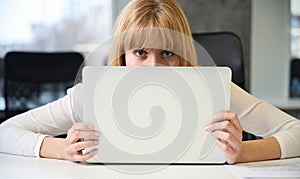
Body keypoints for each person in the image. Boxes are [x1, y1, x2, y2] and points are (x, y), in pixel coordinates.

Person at [0, 0, 299, 164]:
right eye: (140, 52)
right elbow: (6, 131)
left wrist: (245, 151)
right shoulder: (90, 95)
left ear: (183, 56)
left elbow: (296, 131)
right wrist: (61, 148)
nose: (154, 66)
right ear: (123, 55)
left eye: (167, 52)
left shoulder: (213, 93)